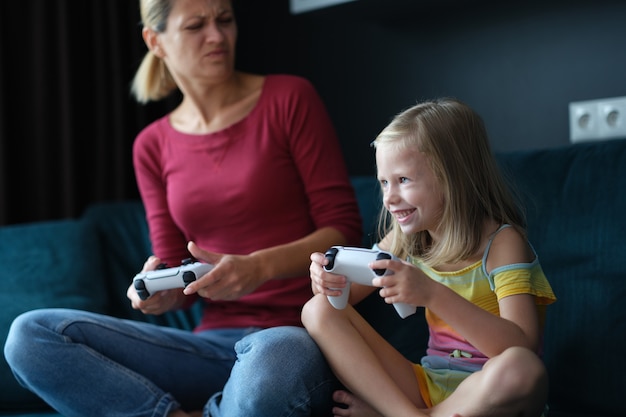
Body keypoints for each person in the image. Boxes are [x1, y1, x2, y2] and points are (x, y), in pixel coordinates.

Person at [4, 0, 362, 416]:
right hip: (209, 346)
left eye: (225, 20)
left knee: (272, 362)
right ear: (155, 41)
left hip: (294, 334)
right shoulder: (152, 145)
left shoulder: (289, 98)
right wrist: (160, 294)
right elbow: (178, 273)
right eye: (196, 26)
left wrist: (258, 267)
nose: (217, 36)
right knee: (31, 335)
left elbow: (344, 231)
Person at [302, 98, 557, 417]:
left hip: (490, 394)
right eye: (384, 182)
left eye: (403, 180)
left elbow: (520, 347)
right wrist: (328, 280)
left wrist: (432, 293)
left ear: (453, 176)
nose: (389, 198)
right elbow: (343, 300)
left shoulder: (503, 244)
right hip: (428, 387)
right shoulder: (406, 237)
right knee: (319, 309)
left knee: (522, 368)